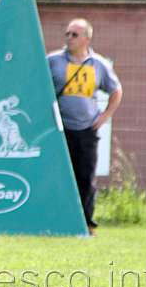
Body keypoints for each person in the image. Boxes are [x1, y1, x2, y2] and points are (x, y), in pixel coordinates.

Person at [47, 18, 122, 236]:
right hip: (59, 130)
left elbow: (116, 90)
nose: (69, 38)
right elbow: (37, 85)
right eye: (67, 34)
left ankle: (86, 224)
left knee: (86, 177)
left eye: (74, 35)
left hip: (87, 130)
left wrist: (106, 115)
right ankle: (57, 221)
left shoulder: (98, 64)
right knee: (59, 176)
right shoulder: (52, 61)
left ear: (87, 38)